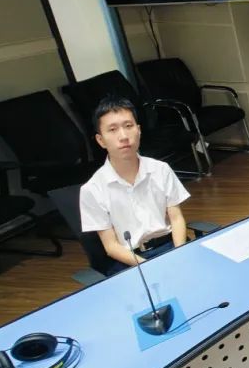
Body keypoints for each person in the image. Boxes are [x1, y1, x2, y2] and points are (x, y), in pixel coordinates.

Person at [80, 96, 191, 275]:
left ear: (138, 130)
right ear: (101, 140)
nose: (123, 136)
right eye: (113, 130)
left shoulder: (160, 169)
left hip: (171, 246)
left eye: (128, 126)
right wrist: (150, 268)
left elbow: (176, 218)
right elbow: (111, 246)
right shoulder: (91, 190)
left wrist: (179, 254)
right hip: (130, 260)